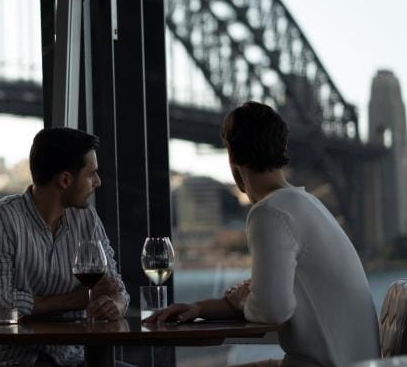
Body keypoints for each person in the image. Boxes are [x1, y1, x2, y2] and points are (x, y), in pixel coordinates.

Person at [144, 101, 379, 367]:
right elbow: (265, 296)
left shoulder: (270, 213)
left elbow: (272, 309)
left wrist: (248, 297)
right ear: (282, 148)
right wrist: (199, 308)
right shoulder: (304, 203)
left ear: (232, 157)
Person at [0, 127, 129, 367]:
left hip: (73, 357)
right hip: (14, 359)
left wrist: (114, 304)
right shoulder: (0, 221)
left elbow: (117, 288)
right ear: (65, 180)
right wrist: (76, 300)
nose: (98, 182)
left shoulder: (87, 219)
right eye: (91, 174)